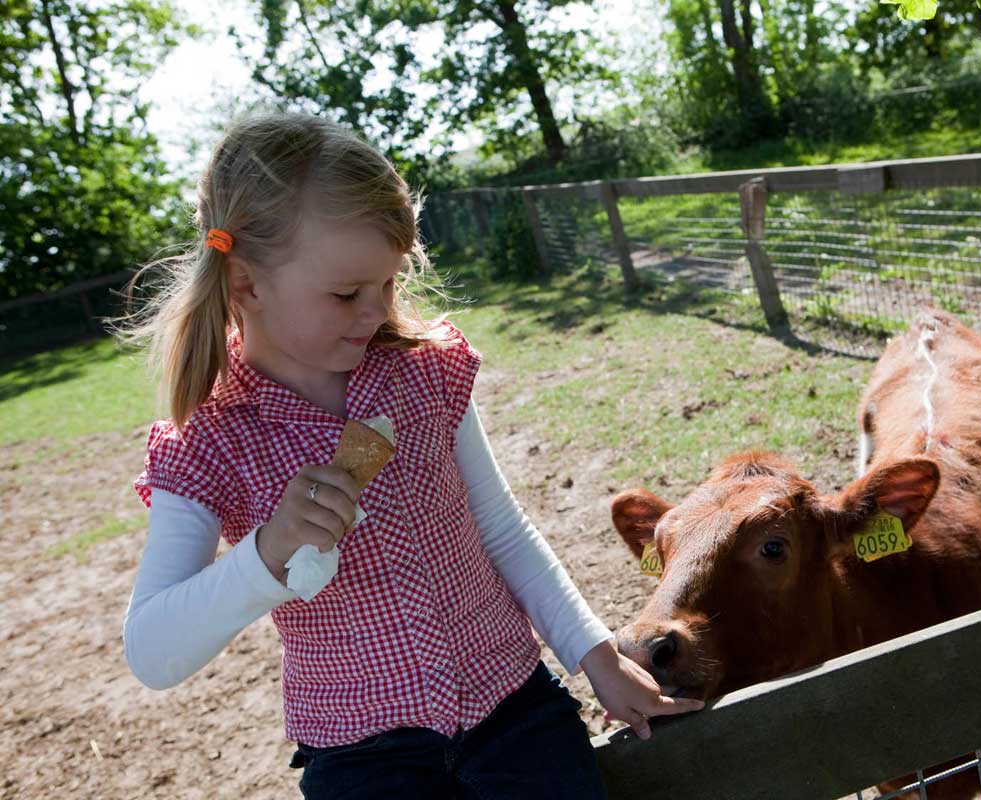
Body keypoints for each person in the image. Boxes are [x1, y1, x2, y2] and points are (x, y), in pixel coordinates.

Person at [118, 111, 702, 799]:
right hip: (360, 759)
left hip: (516, 713)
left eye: (388, 285)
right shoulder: (211, 439)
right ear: (247, 284)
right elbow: (152, 652)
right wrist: (266, 554)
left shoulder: (423, 373)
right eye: (346, 294)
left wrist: (593, 654)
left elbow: (502, 527)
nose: (375, 313)